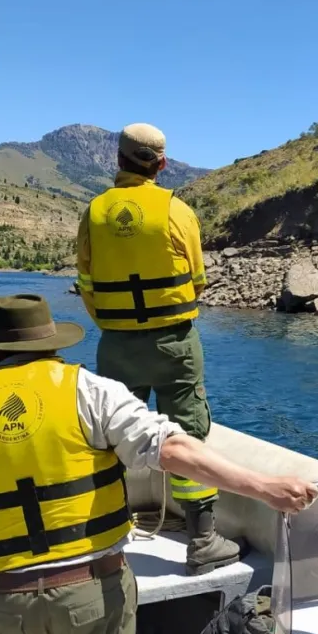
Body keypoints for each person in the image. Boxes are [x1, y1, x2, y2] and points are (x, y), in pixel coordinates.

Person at [0, 293, 318, 634]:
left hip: (8, 604)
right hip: (89, 592)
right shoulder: (90, 392)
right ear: (54, 345)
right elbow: (170, 449)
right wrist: (264, 486)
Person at [75, 123, 235, 577]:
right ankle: (202, 540)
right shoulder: (177, 210)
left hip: (116, 345)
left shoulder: (94, 212)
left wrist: (114, 325)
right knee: (188, 431)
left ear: (118, 159)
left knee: (107, 438)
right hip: (174, 345)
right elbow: (198, 279)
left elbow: (86, 282)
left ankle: (105, 541)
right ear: (161, 164)